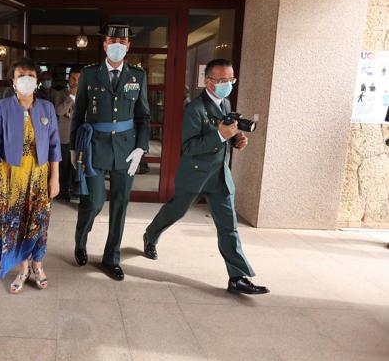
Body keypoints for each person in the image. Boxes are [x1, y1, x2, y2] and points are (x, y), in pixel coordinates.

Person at [143, 58, 269, 295]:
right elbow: (188, 147)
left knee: (228, 227)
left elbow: (225, 133)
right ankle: (150, 235)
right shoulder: (194, 108)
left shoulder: (226, 102)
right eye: (222, 80)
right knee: (176, 211)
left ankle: (238, 277)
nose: (227, 84)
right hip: (195, 175)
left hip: (219, 175)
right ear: (208, 81)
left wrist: (235, 140)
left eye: (230, 79)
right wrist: (221, 136)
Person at [70, 23, 150, 281]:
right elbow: (78, 113)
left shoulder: (138, 76)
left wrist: (141, 146)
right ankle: (80, 242)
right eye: (111, 42)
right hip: (94, 147)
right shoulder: (89, 74)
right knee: (93, 202)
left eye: (122, 42)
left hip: (126, 149)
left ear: (128, 46)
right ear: (104, 45)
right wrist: (74, 149)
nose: (117, 46)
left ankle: (111, 257)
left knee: (120, 204)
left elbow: (144, 116)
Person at [0, 58, 61, 294]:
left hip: (39, 175)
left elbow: (55, 145)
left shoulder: (46, 108)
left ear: (37, 81)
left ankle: (38, 263)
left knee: (38, 221)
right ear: (13, 81)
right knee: (16, 222)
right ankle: (24, 268)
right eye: (20, 75)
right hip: (11, 177)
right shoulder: (1, 108)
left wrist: (54, 177)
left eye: (31, 75)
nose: (26, 79)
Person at [53, 68, 80, 200]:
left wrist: (70, 113)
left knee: (77, 166)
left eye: (79, 79)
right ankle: (64, 192)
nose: (76, 82)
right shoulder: (60, 94)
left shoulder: (86, 93)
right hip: (64, 136)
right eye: (73, 79)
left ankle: (77, 190)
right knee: (64, 167)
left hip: (79, 137)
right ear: (69, 79)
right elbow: (59, 111)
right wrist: (71, 97)